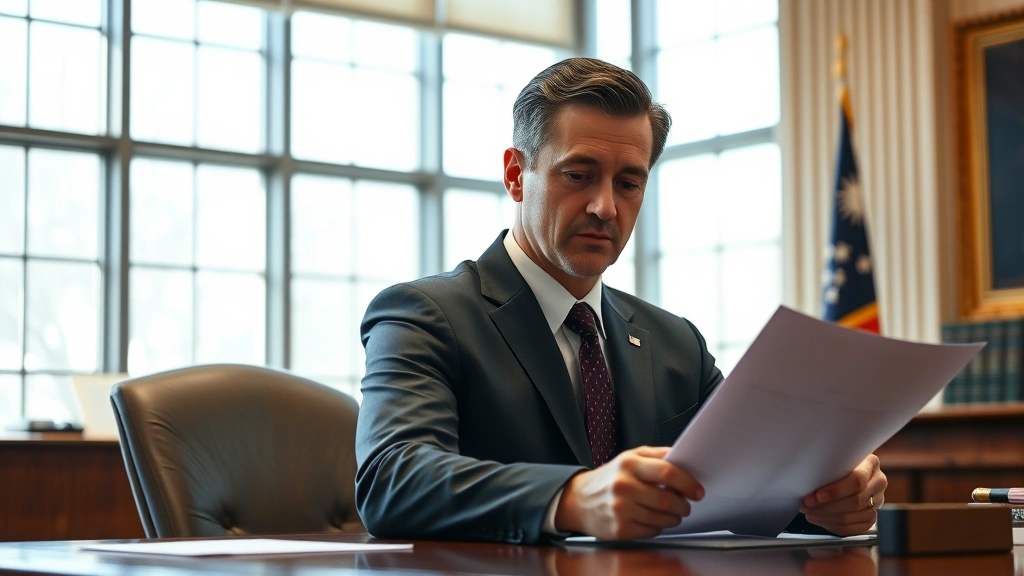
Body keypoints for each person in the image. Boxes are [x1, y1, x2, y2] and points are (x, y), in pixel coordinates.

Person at [354, 57, 887, 544]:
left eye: (629, 183)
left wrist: (826, 499)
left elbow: (744, 489)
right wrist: (571, 498)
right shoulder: (423, 315)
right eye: (579, 176)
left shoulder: (677, 342)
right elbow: (392, 479)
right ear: (517, 176)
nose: (605, 207)